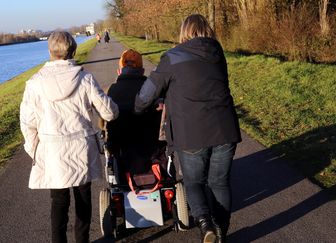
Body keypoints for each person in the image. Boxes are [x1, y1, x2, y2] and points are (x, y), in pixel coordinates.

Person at [135, 14, 241, 243]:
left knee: (194, 182)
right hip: (225, 129)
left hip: (192, 132)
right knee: (220, 183)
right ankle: (221, 232)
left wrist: (141, 107)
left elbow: (146, 95)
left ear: (184, 32)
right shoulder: (217, 53)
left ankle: (205, 224)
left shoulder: (172, 58)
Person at [20, 31, 118, 243]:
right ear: (72, 50)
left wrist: (35, 149)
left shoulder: (34, 83)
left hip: (53, 149)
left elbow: (28, 123)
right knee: (83, 198)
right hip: (81, 147)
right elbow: (108, 112)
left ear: (50, 51)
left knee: (58, 201)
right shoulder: (84, 79)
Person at [104, 49, 161, 181]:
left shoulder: (113, 89)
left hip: (121, 146)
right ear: (141, 69)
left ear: (121, 69)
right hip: (149, 145)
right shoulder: (150, 88)